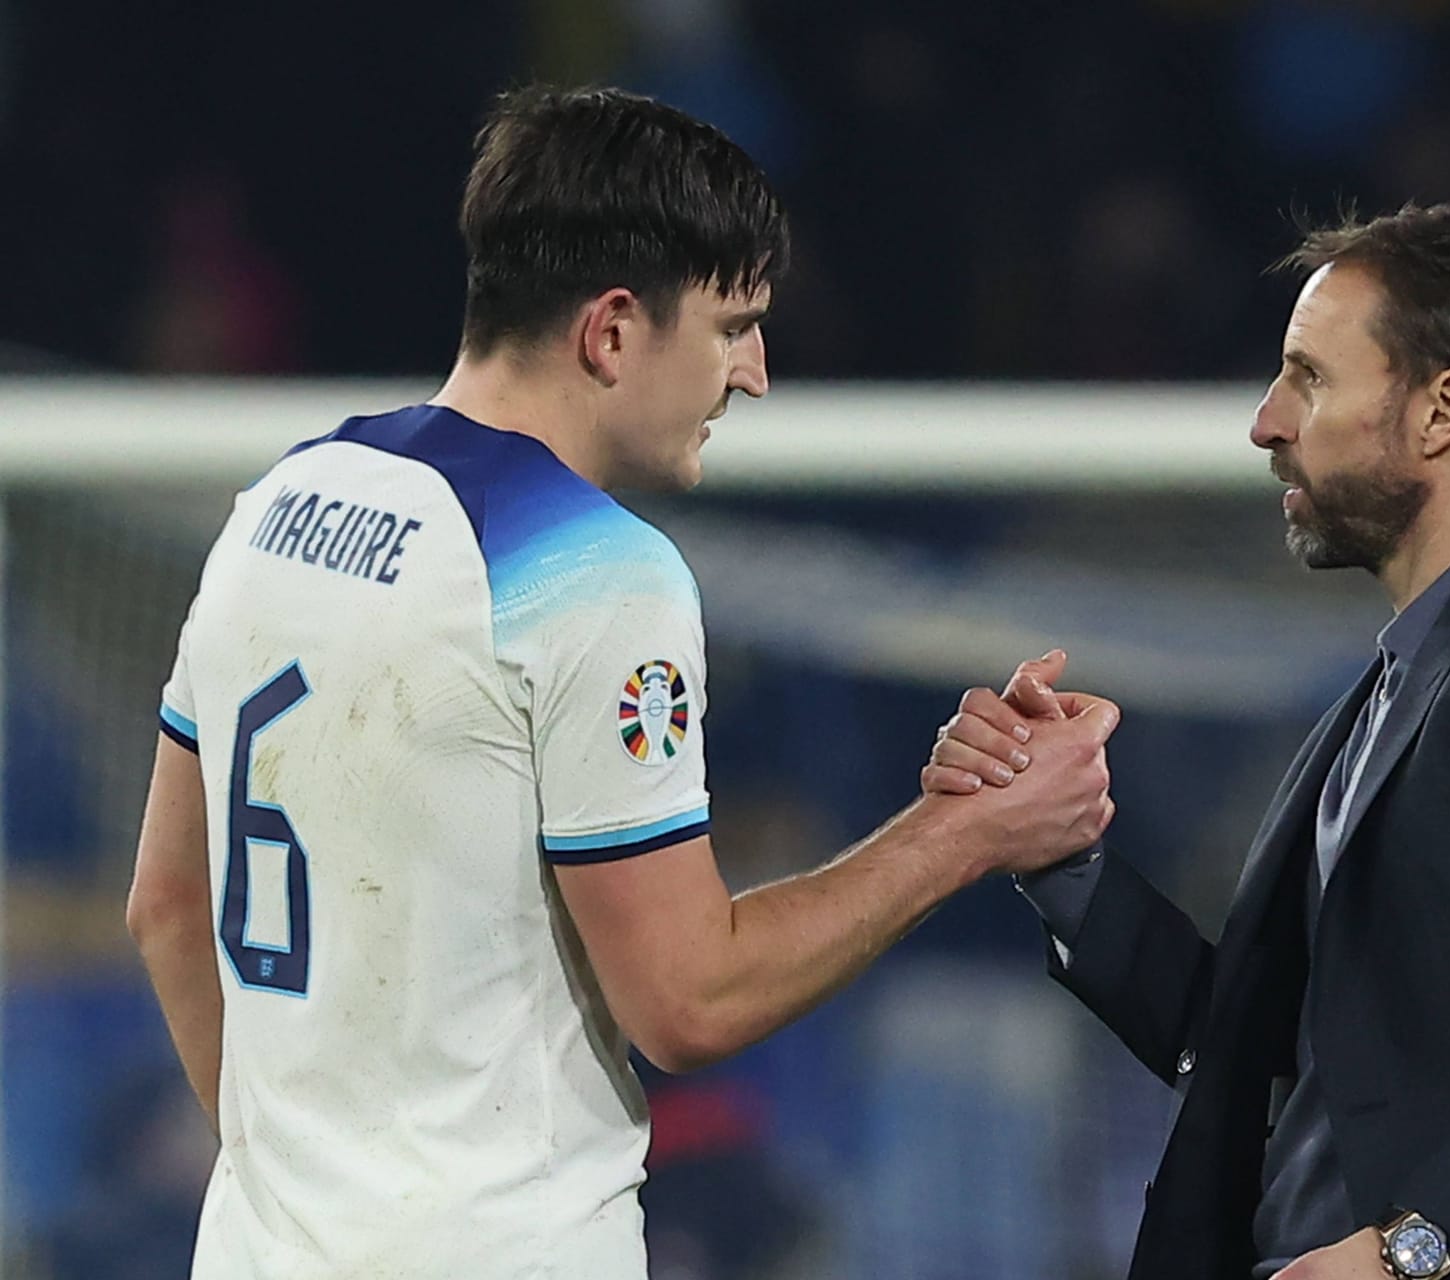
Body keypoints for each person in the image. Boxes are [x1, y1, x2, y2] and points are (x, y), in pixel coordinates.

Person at [123, 86, 1119, 1280]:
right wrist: (973, 831)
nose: (752, 373)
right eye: (731, 325)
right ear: (610, 331)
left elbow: (168, 904)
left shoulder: (283, 499)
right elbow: (690, 999)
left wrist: (290, 1186)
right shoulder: (600, 575)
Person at [924, 205, 1450, 1280]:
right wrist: (1065, 867)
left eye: (1310, 377)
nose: (1266, 420)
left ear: (1446, 409)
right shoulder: (1406, 678)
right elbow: (1267, 1050)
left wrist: (1420, 1250)